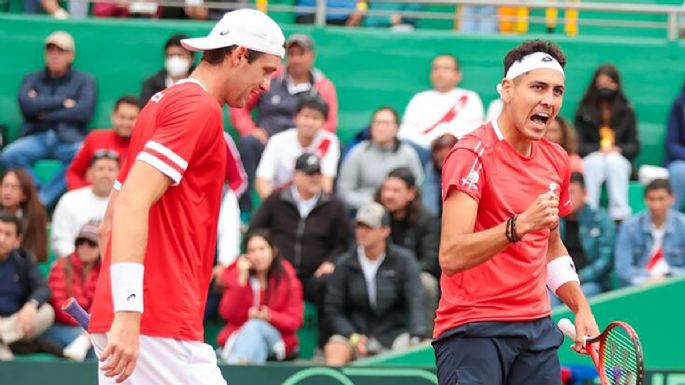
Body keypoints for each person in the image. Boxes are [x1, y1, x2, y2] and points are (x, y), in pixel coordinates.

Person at [88, 9, 285, 385]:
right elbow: (130, 205)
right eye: (266, 71)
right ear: (239, 54)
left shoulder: (161, 103)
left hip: (137, 320)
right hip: (155, 322)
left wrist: (116, 311)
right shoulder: (199, 108)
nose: (266, 86)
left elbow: (110, 221)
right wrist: (129, 313)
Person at [435, 40, 599, 385]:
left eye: (557, 91)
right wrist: (518, 226)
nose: (548, 100)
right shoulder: (471, 154)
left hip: (536, 329)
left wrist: (579, 306)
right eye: (537, 87)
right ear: (508, 89)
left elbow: (551, 247)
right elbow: (450, 255)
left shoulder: (556, 159)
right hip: (473, 329)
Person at [250, 153, 349, 347]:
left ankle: (323, 346)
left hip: (314, 275)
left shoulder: (334, 205)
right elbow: (255, 230)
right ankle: (270, 346)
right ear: (295, 176)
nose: (314, 178)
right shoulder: (276, 200)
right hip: (278, 273)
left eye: (317, 173)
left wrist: (331, 261)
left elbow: (344, 243)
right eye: (309, 173)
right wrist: (268, 255)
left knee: (330, 285)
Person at [231, 34, 338, 211]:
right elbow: (239, 106)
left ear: (311, 56)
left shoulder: (323, 86)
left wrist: (306, 142)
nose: (295, 59)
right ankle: (245, 210)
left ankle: (323, 209)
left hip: (306, 145)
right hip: (267, 142)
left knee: (332, 150)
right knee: (247, 144)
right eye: (292, 54)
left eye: (301, 53)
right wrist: (250, 130)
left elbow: (330, 122)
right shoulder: (270, 78)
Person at [324, 202, 428, 366]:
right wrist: (351, 334)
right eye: (359, 226)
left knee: (415, 351)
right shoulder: (344, 263)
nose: (362, 232)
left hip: (393, 334)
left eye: (369, 227)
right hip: (355, 334)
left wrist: (417, 335)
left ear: (385, 231)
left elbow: (416, 299)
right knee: (335, 349)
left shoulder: (403, 260)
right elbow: (333, 308)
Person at [3, 31, 97, 208]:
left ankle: (40, 202)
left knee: (83, 154)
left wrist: (43, 111)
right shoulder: (31, 78)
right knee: (9, 155)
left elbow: (83, 112)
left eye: (60, 51)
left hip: (68, 138)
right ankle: (37, 192)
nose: (55, 56)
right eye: (50, 50)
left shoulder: (85, 80)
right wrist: (62, 102)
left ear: (71, 55)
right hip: (37, 136)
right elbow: (27, 107)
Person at [217, 230, 303, 364]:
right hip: (239, 336)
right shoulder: (239, 275)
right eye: (252, 250)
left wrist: (269, 316)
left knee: (255, 326)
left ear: (273, 251)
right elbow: (228, 314)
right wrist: (242, 279)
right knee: (257, 346)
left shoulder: (287, 278)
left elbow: (295, 320)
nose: (257, 255)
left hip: (276, 337)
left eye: (262, 249)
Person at [376, 167, 440, 331]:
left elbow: (430, 261)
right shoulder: (376, 217)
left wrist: (401, 274)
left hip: (413, 274)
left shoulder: (427, 220)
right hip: (379, 272)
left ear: (411, 193)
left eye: (396, 190)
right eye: (386, 189)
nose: (388, 195)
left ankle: (424, 338)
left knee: (426, 283)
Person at [575, 64, 639, 221]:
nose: (605, 87)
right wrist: (598, 149)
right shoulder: (585, 111)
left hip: (617, 157)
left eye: (609, 83)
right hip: (594, 155)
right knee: (593, 164)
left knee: (614, 162)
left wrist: (619, 149)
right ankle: (590, 210)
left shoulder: (626, 111)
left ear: (616, 84)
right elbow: (577, 144)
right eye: (601, 83)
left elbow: (634, 146)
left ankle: (619, 213)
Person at [399, 54, 483, 165]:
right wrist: (432, 144)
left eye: (446, 68)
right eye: (436, 69)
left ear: (458, 75)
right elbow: (405, 132)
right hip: (424, 153)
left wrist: (450, 141)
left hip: (458, 153)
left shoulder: (470, 97)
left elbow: (476, 131)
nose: (440, 73)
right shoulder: (419, 98)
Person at [338, 107, 423, 211]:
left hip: (401, 212)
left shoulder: (408, 154)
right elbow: (344, 192)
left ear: (396, 128)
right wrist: (376, 203)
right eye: (377, 123)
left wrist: (397, 202)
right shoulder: (357, 153)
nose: (381, 127)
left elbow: (418, 186)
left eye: (386, 123)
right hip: (365, 211)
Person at [254, 95, 340, 199]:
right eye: (306, 116)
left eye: (315, 118)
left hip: (313, 201)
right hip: (280, 199)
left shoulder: (330, 141)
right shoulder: (277, 141)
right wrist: (275, 208)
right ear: (295, 118)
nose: (309, 123)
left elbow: (326, 183)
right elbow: (262, 180)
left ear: (323, 122)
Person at [551, 173, 615, 306]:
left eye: (572, 192)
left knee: (578, 297)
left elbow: (606, 259)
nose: (567, 198)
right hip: (558, 281)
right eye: (564, 193)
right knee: (547, 300)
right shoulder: (553, 220)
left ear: (584, 193)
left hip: (590, 281)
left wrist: (579, 278)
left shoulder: (600, 218)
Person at [0, 211, 54, 360]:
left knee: (47, 312)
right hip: (12, 329)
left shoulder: (23, 259)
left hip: (14, 321)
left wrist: (31, 305)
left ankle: (2, 337)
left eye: (8, 234)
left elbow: (43, 288)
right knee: (5, 360)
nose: (1, 239)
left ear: (17, 240)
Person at [45, 221, 101, 361]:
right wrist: (87, 327)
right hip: (59, 326)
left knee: (99, 344)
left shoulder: (104, 271)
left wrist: (90, 329)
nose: (85, 247)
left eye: (91, 243)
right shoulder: (61, 266)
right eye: (81, 242)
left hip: (90, 329)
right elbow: (60, 308)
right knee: (96, 346)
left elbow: (102, 306)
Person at [615, 179, 685, 287]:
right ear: (645, 200)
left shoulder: (682, 225)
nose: (656, 204)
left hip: (675, 285)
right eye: (651, 199)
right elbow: (623, 269)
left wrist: (668, 277)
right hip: (639, 287)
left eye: (661, 199)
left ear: (672, 199)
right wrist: (647, 279)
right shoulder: (629, 227)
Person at [52, 152, 119, 258]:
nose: (105, 174)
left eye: (111, 169)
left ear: (119, 174)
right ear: (90, 173)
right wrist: (82, 260)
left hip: (112, 267)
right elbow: (60, 240)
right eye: (100, 169)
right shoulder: (69, 199)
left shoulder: (126, 203)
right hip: (74, 267)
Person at [66, 96, 140, 190]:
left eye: (132, 118)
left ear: (141, 120)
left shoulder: (145, 146)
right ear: (113, 116)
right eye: (122, 117)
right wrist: (86, 194)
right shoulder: (95, 138)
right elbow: (73, 173)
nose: (126, 123)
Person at [0, 169, 48, 263]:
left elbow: (37, 252)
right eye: (5, 186)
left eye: (14, 187)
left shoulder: (34, 217)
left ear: (24, 195)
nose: (8, 191)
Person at [141, 34, 195, 103]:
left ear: (192, 59)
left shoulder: (200, 84)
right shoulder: (151, 85)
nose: (175, 59)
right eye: (171, 55)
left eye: (180, 55)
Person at [421, 134, 458, 216]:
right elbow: (429, 202)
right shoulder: (432, 168)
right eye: (439, 151)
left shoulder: (463, 170)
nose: (442, 155)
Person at [665, 84, 685, 211]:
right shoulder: (680, 104)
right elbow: (671, 143)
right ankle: (671, 220)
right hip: (681, 161)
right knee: (679, 171)